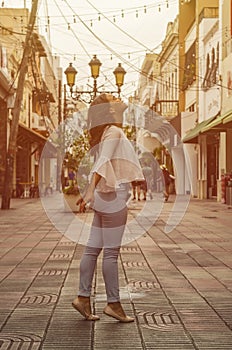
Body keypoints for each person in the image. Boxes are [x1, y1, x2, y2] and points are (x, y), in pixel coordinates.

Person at [72, 93, 144, 322]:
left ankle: (83, 298)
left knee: (92, 250)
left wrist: (92, 191)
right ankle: (113, 304)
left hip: (106, 195)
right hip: (113, 195)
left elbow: (101, 161)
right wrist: (89, 190)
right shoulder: (113, 132)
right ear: (108, 111)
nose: (117, 97)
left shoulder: (105, 133)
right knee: (111, 254)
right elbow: (102, 161)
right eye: (112, 98)